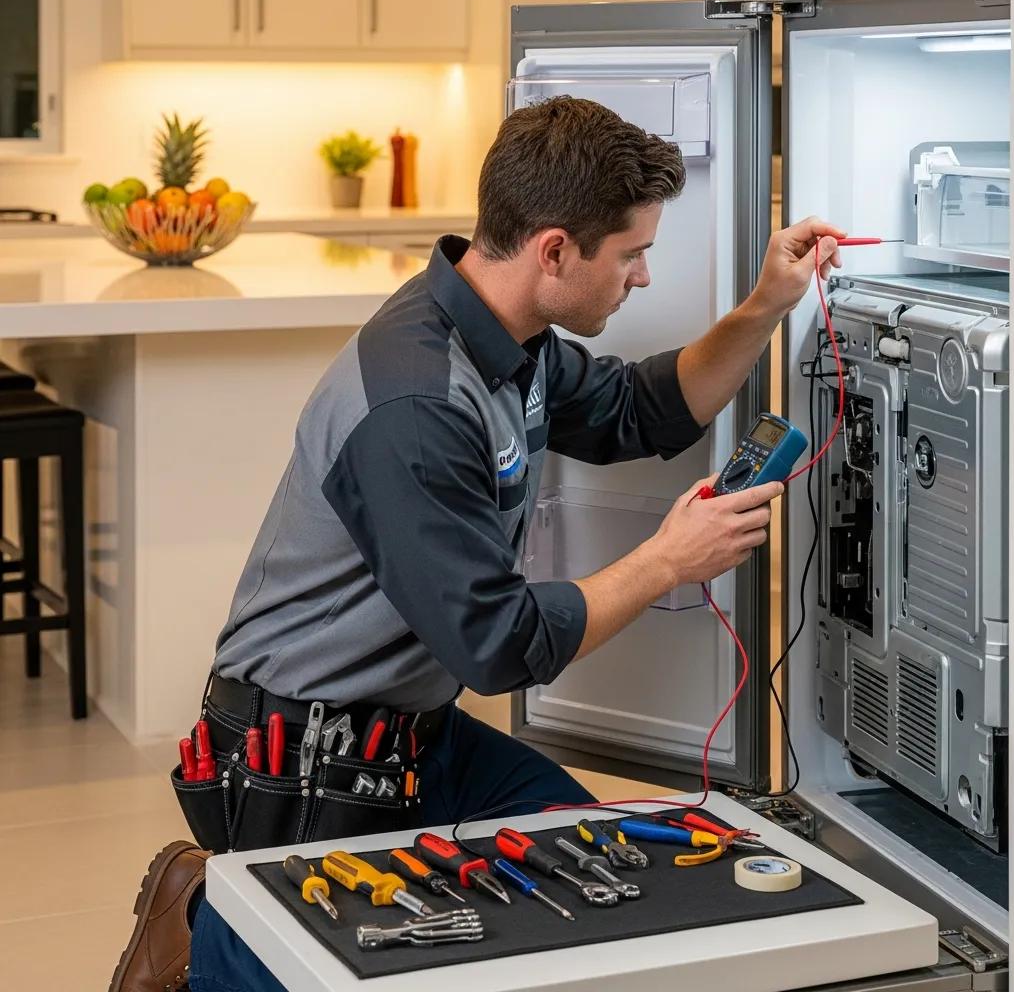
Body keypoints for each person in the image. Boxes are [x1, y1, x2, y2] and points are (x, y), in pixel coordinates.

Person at [110, 95, 843, 992]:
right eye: (632, 254)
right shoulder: (417, 402)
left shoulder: (507, 332)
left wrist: (769, 303)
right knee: (324, 959)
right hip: (299, 757)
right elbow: (498, 645)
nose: (642, 277)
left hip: (416, 733)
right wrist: (665, 562)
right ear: (555, 251)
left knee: (584, 855)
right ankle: (206, 926)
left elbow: (637, 410)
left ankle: (215, 910)